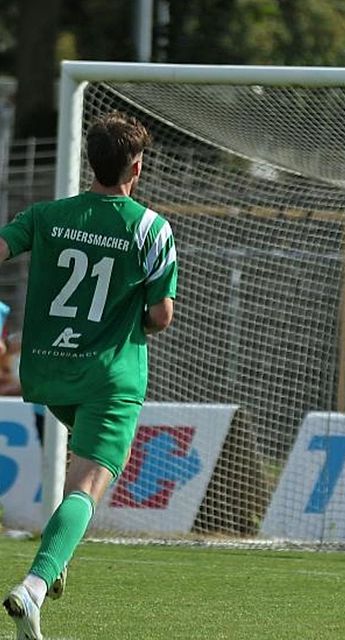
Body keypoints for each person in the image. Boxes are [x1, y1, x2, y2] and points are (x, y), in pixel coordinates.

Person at [0, 111, 178, 640]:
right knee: (88, 485)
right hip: (109, 376)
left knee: (80, 467)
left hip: (49, 371)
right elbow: (161, 316)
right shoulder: (150, 228)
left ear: (89, 162)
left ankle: (57, 561)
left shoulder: (48, 214)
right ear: (138, 168)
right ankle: (33, 587)